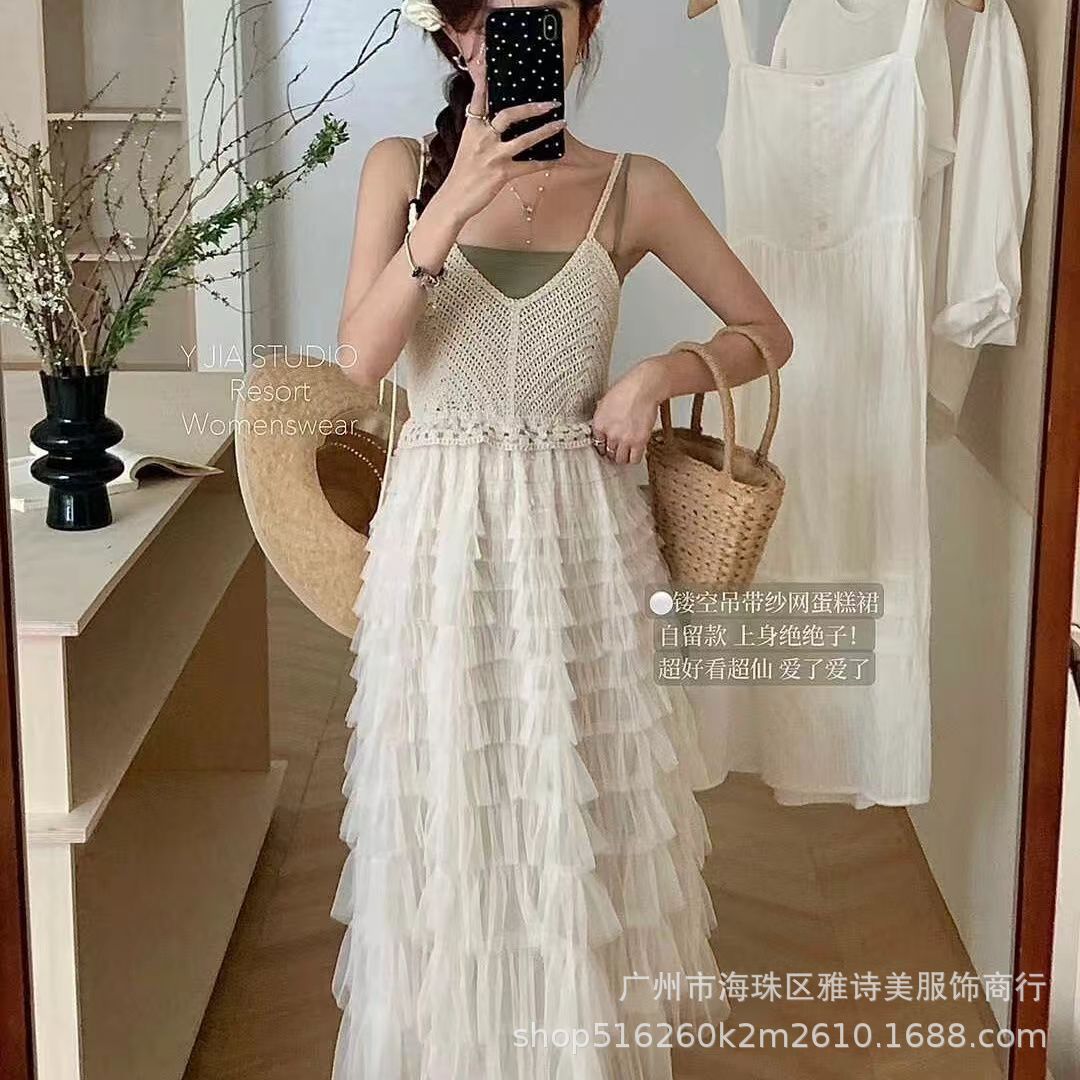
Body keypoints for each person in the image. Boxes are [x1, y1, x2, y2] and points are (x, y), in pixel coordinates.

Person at [331, 1, 793, 1076]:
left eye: (543, 12)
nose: (516, 32)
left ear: (585, 27)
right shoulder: (399, 170)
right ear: (457, 37)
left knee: (579, 811)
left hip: (582, 545)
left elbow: (767, 331)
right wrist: (450, 207)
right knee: (451, 807)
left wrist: (658, 375)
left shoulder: (635, 188)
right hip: (440, 548)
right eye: (493, 17)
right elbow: (357, 362)